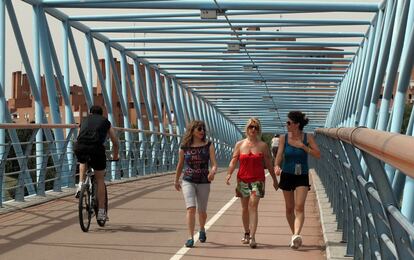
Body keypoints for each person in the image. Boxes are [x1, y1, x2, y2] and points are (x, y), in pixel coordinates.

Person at [226, 118, 278, 249]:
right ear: (247, 129)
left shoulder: (263, 146)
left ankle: (253, 237)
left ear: (259, 130)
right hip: (242, 179)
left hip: (258, 180)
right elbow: (233, 160)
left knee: (253, 205)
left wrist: (274, 180)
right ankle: (247, 232)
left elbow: (268, 164)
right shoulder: (240, 144)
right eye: (251, 127)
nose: (253, 129)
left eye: (255, 127)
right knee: (244, 208)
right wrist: (229, 173)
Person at [274, 111, 321, 249]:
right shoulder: (283, 138)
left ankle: (296, 235)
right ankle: (295, 235)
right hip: (287, 174)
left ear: (296, 124)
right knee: (289, 208)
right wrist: (277, 165)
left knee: (299, 207)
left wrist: (303, 147)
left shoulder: (308, 137)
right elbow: (279, 155)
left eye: (288, 122)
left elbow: (318, 154)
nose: (286, 125)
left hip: (302, 175)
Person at [174, 120, 218, 248]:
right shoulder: (184, 147)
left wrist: (213, 172)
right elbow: (180, 164)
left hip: (204, 181)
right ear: (192, 130)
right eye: (199, 129)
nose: (202, 131)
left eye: (203, 129)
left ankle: (202, 229)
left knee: (202, 211)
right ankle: (190, 237)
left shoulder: (208, 145)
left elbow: (214, 164)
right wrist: (176, 180)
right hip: (188, 180)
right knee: (191, 208)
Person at [74, 105, 119, 222]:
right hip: (96, 149)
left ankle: (80, 184)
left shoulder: (84, 121)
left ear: (90, 113)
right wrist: (115, 156)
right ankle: (101, 213)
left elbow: (78, 136)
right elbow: (115, 141)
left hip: (80, 147)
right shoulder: (106, 122)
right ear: (102, 114)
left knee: (83, 161)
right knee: (100, 180)